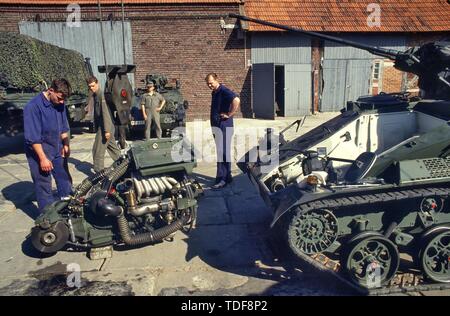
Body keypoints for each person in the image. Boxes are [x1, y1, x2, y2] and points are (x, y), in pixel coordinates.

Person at [23, 78, 73, 213]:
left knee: (64, 179)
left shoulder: (60, 104)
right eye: (59, 98)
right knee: (44, 185)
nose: (62, 102)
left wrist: (66, 144)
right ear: (51, 90)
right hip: (39, 152)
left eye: (64, 99)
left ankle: (68, 209)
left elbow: (63, 128)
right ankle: (48, 219)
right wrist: (43, 158)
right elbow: (33, 138)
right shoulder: (33, 107)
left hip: (56, 148)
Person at [205, 73, 240, 189]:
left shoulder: (223, 90)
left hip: (224, 126)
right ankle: (228, 177)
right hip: (217, 126)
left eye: (211, 83)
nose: (210, 85)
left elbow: (236, 100)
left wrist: (229, 114)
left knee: (223, 152)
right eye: (208, 84)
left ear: (217, 80)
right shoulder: (214, 92)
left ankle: (222, 179)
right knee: (221, 151)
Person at [87, 76, 121, 172]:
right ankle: (125, 164)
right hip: (104, 127)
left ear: (97, 83)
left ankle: (99, 173)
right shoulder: (95, 95)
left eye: (93, 86)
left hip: (105, 127)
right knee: (114, 150)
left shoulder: (101, 95)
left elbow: (105, 113)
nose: (91, 88)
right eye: (89, 87)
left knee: (97, 151)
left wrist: (106, 130)